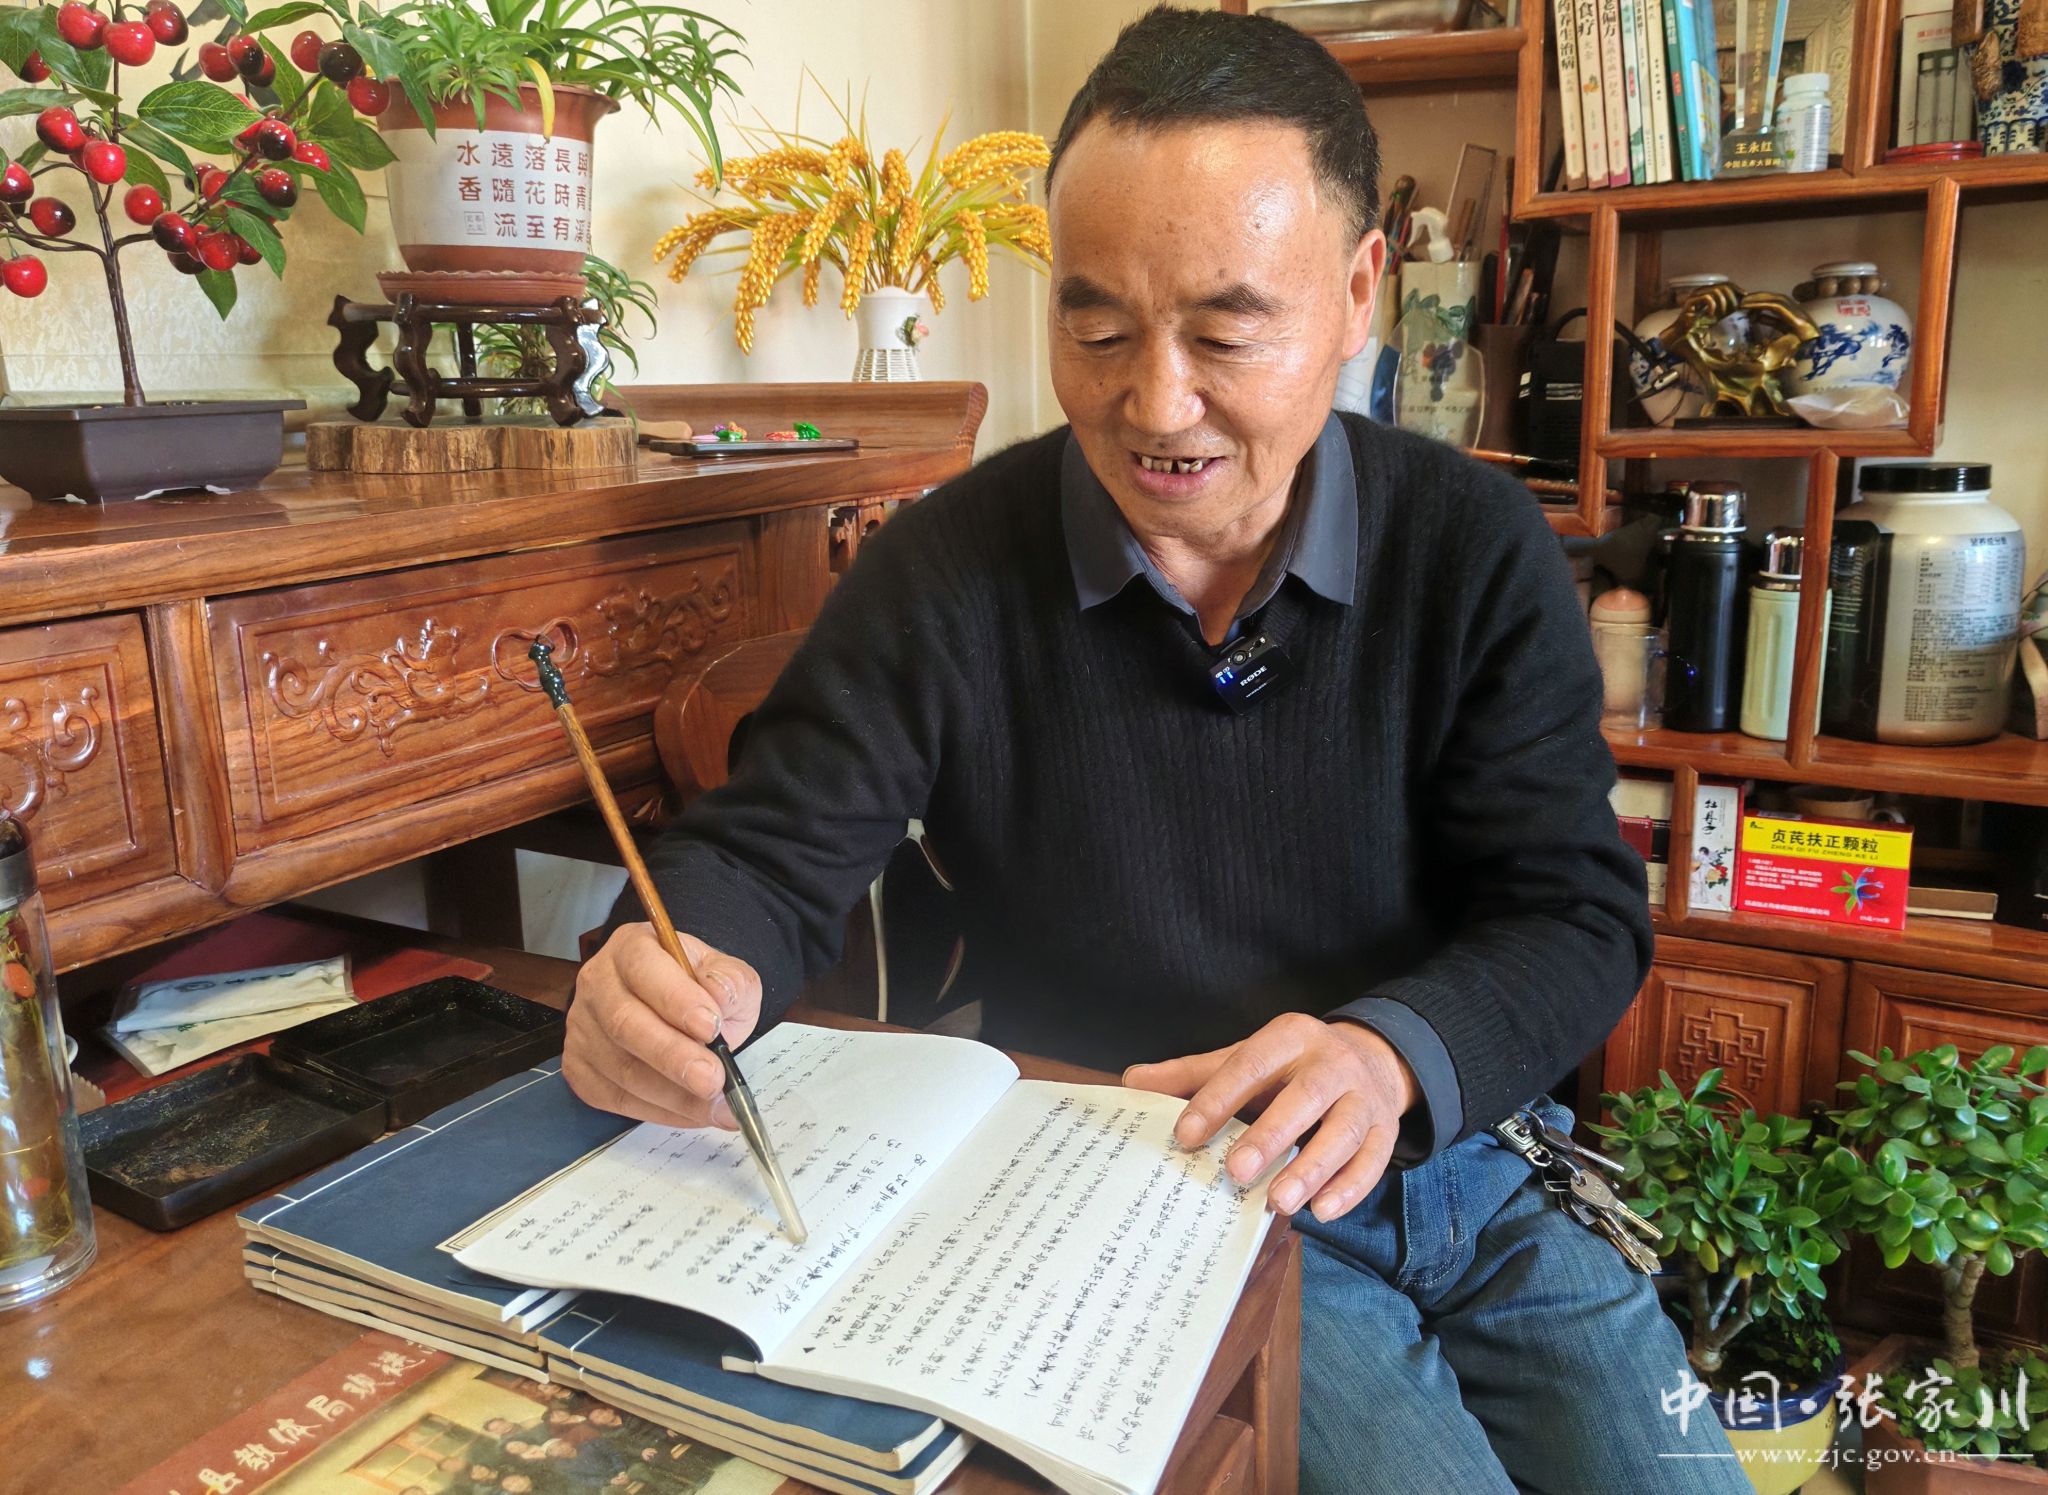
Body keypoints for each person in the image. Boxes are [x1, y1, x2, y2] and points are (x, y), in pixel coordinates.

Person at [565, 7, 1748, 1491]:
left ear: (1360, 292)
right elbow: (765, 850)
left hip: (1467, 1167)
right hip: (1159, 1185)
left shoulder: (1474, 546)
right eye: (1098, 328)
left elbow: (1575, 911)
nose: (1155, 404)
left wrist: (1389, 1056)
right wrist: (677, 964)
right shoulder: (947, 571)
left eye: (1226, 333)